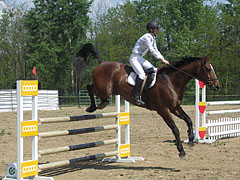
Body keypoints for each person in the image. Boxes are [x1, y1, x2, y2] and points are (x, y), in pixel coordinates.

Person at [130, 20, 169, 105]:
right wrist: (161, 59)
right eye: (156, 29)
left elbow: (156, 50)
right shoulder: (146, 37)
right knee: (141, 75)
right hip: (134, 58)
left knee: (154, 69)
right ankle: (136, 96)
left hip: (140, 58)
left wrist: (162, 58)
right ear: (151, 30)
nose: (158, 30)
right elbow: (151, 50)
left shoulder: (153, 38)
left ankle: (146, 91)